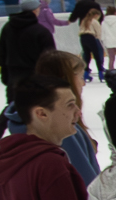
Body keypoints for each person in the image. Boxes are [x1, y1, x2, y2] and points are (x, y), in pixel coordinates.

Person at [36, 50, 102, 186]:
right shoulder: (62, 127)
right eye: (81, 77)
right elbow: (87, 182)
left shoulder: (41, 118)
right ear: (67, 79)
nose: (83, 84)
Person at [0, 0, 54, 136]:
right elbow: (50, 58)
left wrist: (6, 74)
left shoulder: (8, 28)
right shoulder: (40, 31)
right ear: (35, 9)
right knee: (36, 109)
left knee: (13, 106)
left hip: (14, 76)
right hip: (35, 78)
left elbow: (1, 52)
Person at [77, 3, 106, 82]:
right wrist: (99, 40)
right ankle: (101, 73)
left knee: (86, 56)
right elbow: (98, 32)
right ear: (96, 15)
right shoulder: (94, 21)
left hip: (83, 38)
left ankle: (86, 73)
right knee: (97, 56)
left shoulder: (84, 20)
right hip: (91, 38)